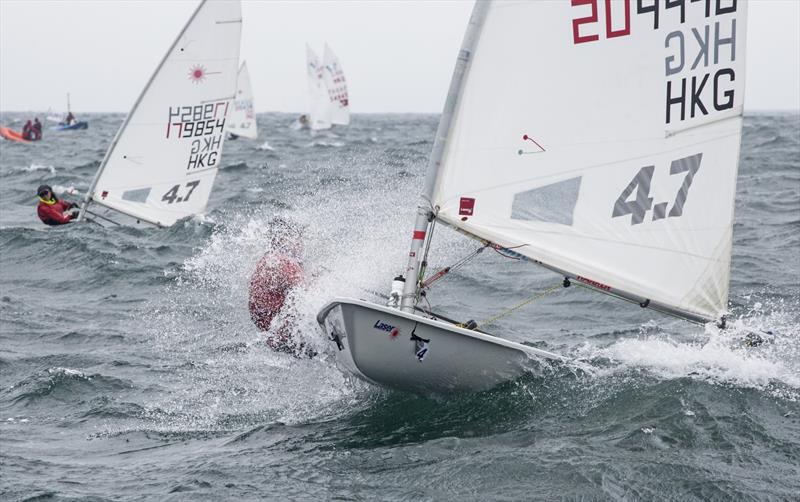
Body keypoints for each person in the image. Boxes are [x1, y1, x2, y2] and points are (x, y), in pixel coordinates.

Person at [248, 218, 311, 356]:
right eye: (297, 238)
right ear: (282, 237)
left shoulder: (266, 262)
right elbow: (304, 295)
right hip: (295, 340)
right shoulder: (282, 262)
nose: (301, 245)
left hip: (277, 343)